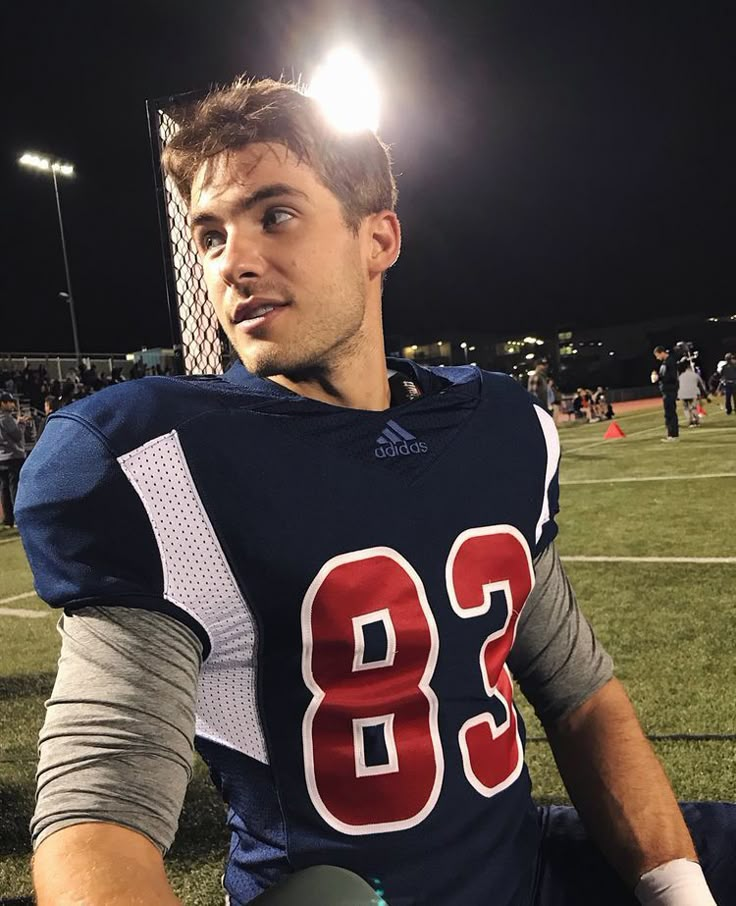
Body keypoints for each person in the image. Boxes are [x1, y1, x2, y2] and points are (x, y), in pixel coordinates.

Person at [15, 78, 733, 906]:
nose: (233, 261)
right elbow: (96, 808)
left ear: (378, 238)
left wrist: (679, 892)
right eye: (209, 235)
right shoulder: (164, 466)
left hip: (527, 862)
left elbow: (579, 694)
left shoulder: (498, 425)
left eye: (274, 215)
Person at [0, 391, 27, 528]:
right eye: (9, 402)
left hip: (1, 458)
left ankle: (8, 519)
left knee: (4, 489)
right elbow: (17, 436)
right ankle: (17, 519)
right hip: (12, 457)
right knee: (14, 488)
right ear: (3, 403)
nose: (12, 404)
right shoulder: (6, 418)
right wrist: (21, 424)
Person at [652, 346, 679, 441]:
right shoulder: (665, 362)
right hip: (667, 390)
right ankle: (671, 434)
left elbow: (672, 377)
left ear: (661, 352)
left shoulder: (670, 362)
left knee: (670, 413)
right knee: (668, 413)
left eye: (657, 355)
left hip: (670, 390)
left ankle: (673, 435)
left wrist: (659, 378)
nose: (657, 358)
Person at [677, 363, 707, 427]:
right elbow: (701, 385)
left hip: (682, 394)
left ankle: (690, 422)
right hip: (692, 393)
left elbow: (678, 385)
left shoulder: (681, 376)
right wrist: (705, 394)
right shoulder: (695, 375)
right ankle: (696, 421)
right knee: (693, 408)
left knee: (686, 408)